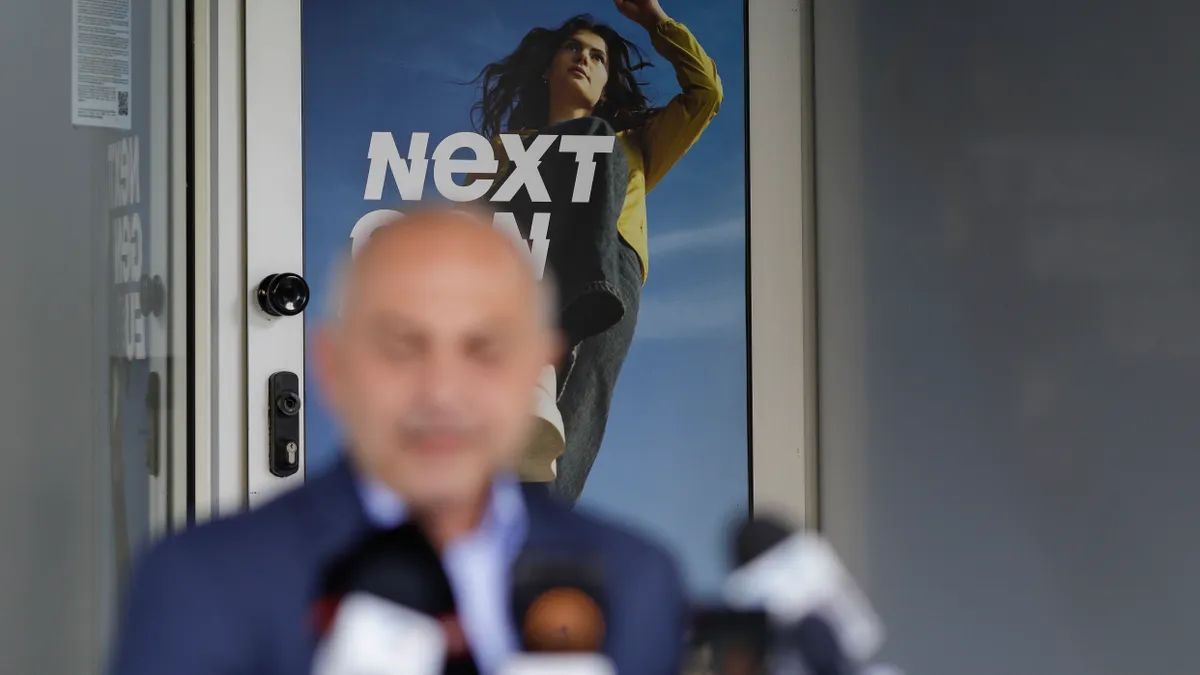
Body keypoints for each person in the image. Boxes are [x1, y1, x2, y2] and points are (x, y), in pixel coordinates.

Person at [107, 206, 689, 675]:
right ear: (333, 366)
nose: (441, 390)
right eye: (401, 346)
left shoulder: (634, 581)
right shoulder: (208, 580)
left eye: (484, 349)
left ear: (540, 368)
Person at [469, 0, 723, 502]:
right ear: (548, 68)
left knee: (571, 420)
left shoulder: (634, 144)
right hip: (523, 265)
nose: (584, 58)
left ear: (606, 85)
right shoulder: (504, 148)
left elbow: (706, 94)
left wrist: (655, 20)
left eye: (598, 57)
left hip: (606, 275)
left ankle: (547, 520)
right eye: (572, 48)